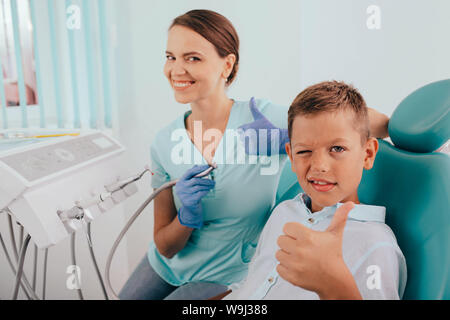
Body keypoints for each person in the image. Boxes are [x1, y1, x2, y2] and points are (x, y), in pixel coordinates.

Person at [119, 10, 391, 300]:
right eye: (170, 57)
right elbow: (165, 246)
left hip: (229, 277)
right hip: (166, 266)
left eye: (192, 58)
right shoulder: (164, 142)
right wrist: (186, 217)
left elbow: (373, 123)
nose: (176, 69)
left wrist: (292, 136)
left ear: (227, 64)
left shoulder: (261, 117)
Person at [222, 81, 407, 300]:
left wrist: (335, 286)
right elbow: (248, 285)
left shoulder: (375, 244)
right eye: (305, 150)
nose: (318, 165)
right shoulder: (284, 212)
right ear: (290, 155)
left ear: (367, 154)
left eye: (337, 148)